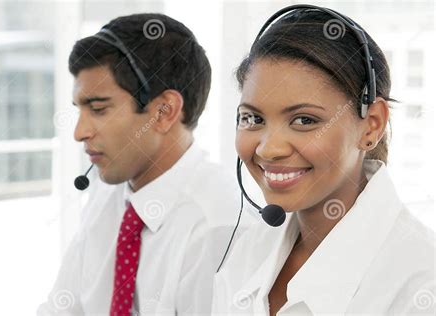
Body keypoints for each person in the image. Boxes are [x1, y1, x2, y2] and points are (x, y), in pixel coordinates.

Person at [213, 5, 435, 315]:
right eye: (252, 118)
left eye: (304, 120)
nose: (268, 149)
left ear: (371, 124)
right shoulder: (249, 249)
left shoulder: (422, 282)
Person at [38, 13, 250, 315]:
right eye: (80, 110)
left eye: (98, 109)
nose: (79, 132)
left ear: (164, 112)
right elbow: (63, 307)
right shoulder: (108, 191)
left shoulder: (218, 225)